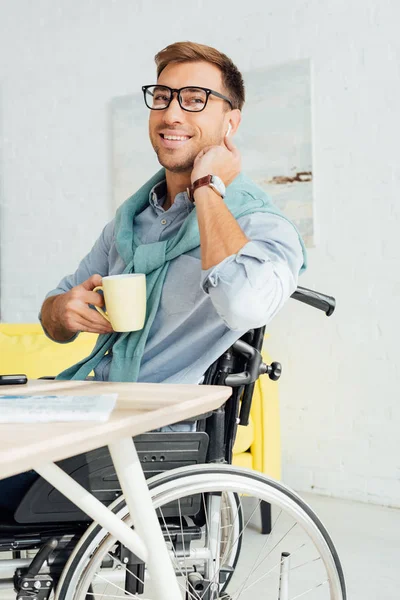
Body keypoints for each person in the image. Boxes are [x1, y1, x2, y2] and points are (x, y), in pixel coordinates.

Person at [0, 41, 306, 511]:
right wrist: (62, 311)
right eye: (162, 97)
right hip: (85, 414)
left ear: (231, 123)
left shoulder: (260, 225)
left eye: (195, 99)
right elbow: (53, 317)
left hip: (148, 440)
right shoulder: (131, 222)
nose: (171, 113)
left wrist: (208, 187)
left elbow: (244, 303)